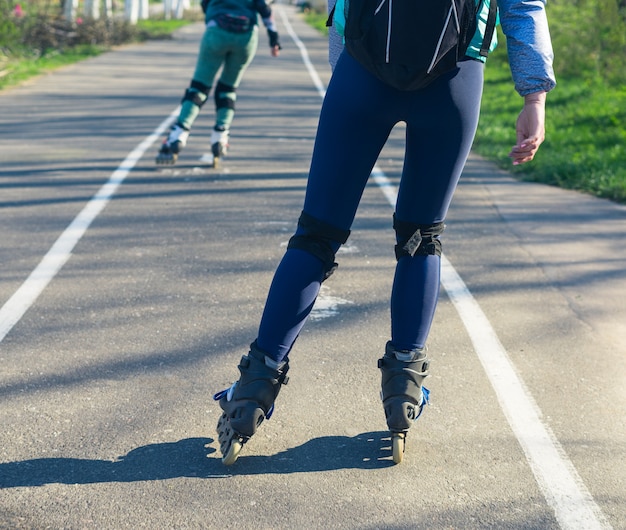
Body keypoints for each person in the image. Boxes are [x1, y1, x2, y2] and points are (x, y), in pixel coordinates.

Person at [214, 0, 557, 465]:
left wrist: (348, 75)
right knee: (422, 236)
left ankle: (253, 391)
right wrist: (534, 96)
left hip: (363, 75)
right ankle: (404, 390)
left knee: (317, 235)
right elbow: (522, 7)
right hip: (455, 79)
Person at [156, 0, 282, 167]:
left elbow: (204, 4)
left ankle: (178, 134)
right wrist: (274, 39)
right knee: (228, 88)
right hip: (246, 37)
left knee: (199, 87)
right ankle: (220, 137)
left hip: (217, 31)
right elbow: (265, 11)